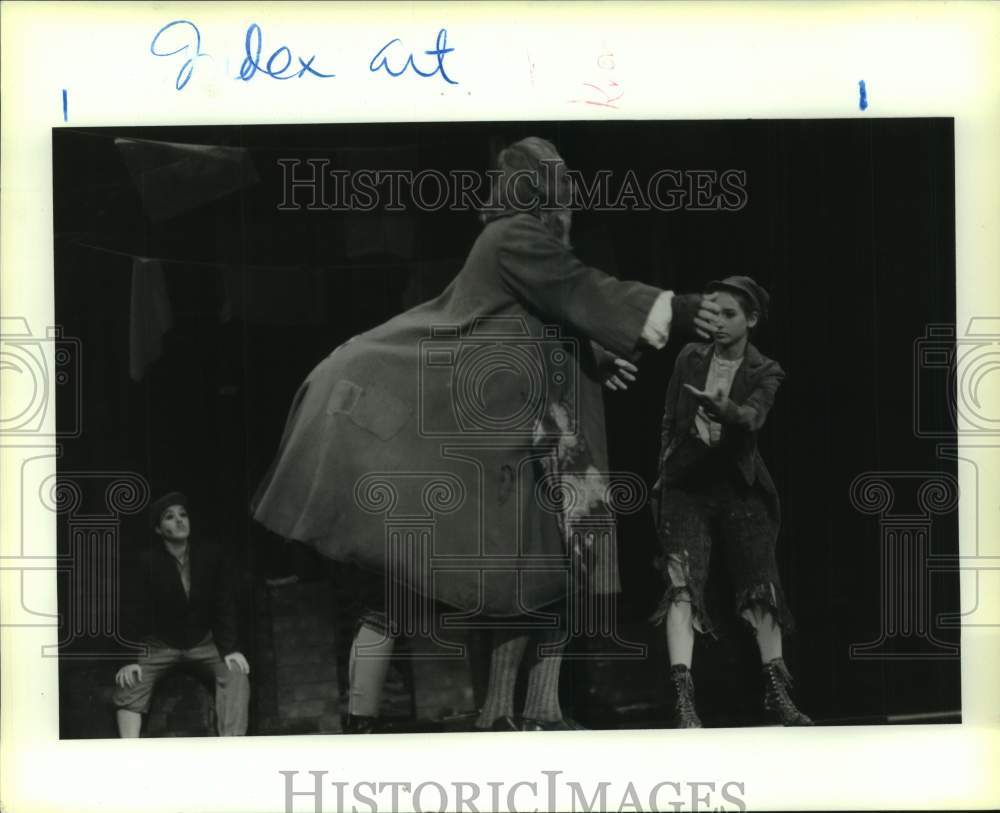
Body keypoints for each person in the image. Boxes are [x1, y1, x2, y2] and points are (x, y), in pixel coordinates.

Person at [252, 136, 721, 733]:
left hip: (546, 434)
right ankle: (393, 719)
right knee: (428, 589)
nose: (567, 195)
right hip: (509, 435)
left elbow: (543, 317)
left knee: (563, 566)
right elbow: (577, 289)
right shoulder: (513, 237)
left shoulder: (522, 244)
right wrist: (676, 309)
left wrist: (595, 356)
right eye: (557, 182)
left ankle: (532, 709)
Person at [650, 276, 811, 728]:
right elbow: (668, 419)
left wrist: (727, 410)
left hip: (739, 487)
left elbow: (753, 415)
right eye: (713, 312)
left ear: (752, 320)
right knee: (680, 585)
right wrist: (664, 472)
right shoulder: (689, 356)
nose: (717, 322)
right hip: (686, 486)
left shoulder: (765, 369)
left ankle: (778, 693)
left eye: (729, 314)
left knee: (762, 587)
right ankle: (683, 702)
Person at [112, 492, 251, 737]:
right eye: (169, 517)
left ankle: (233, 748)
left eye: (183, 515)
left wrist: (230, 648)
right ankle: (128, 754)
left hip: (203, 642)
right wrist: (128, 659)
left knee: (236, 672)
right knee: (129, 682)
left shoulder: (209, 556)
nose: (179, 521)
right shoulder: (147, 562)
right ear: (158, 529)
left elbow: (223, 604)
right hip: (160, 645)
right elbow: (132, 609)